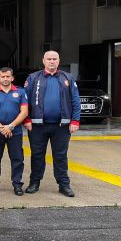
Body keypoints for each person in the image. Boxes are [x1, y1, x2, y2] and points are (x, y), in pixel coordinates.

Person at [23, 50, 81, 197]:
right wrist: (26, 119)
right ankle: (34, 182)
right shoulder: (33, 78)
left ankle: (64, 185)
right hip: (37, 126)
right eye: (49, 59)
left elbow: (75, 100)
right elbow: (24, 101)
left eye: (54, 59)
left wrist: (75, 120)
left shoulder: (67, 78)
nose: (52, 61)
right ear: (43, 61)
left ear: (59, 61)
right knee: (37, 155)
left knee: (60, 156)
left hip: (62, 126)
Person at [0, 67, 29, 196]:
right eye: (2, 77)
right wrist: (1, 127)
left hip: (15, 131)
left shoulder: (20, 92)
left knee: (17, 158)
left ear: (12, 78)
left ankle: (17, 184)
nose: (5, 79)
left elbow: (24, 112)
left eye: (8, 76)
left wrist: (10, 126)